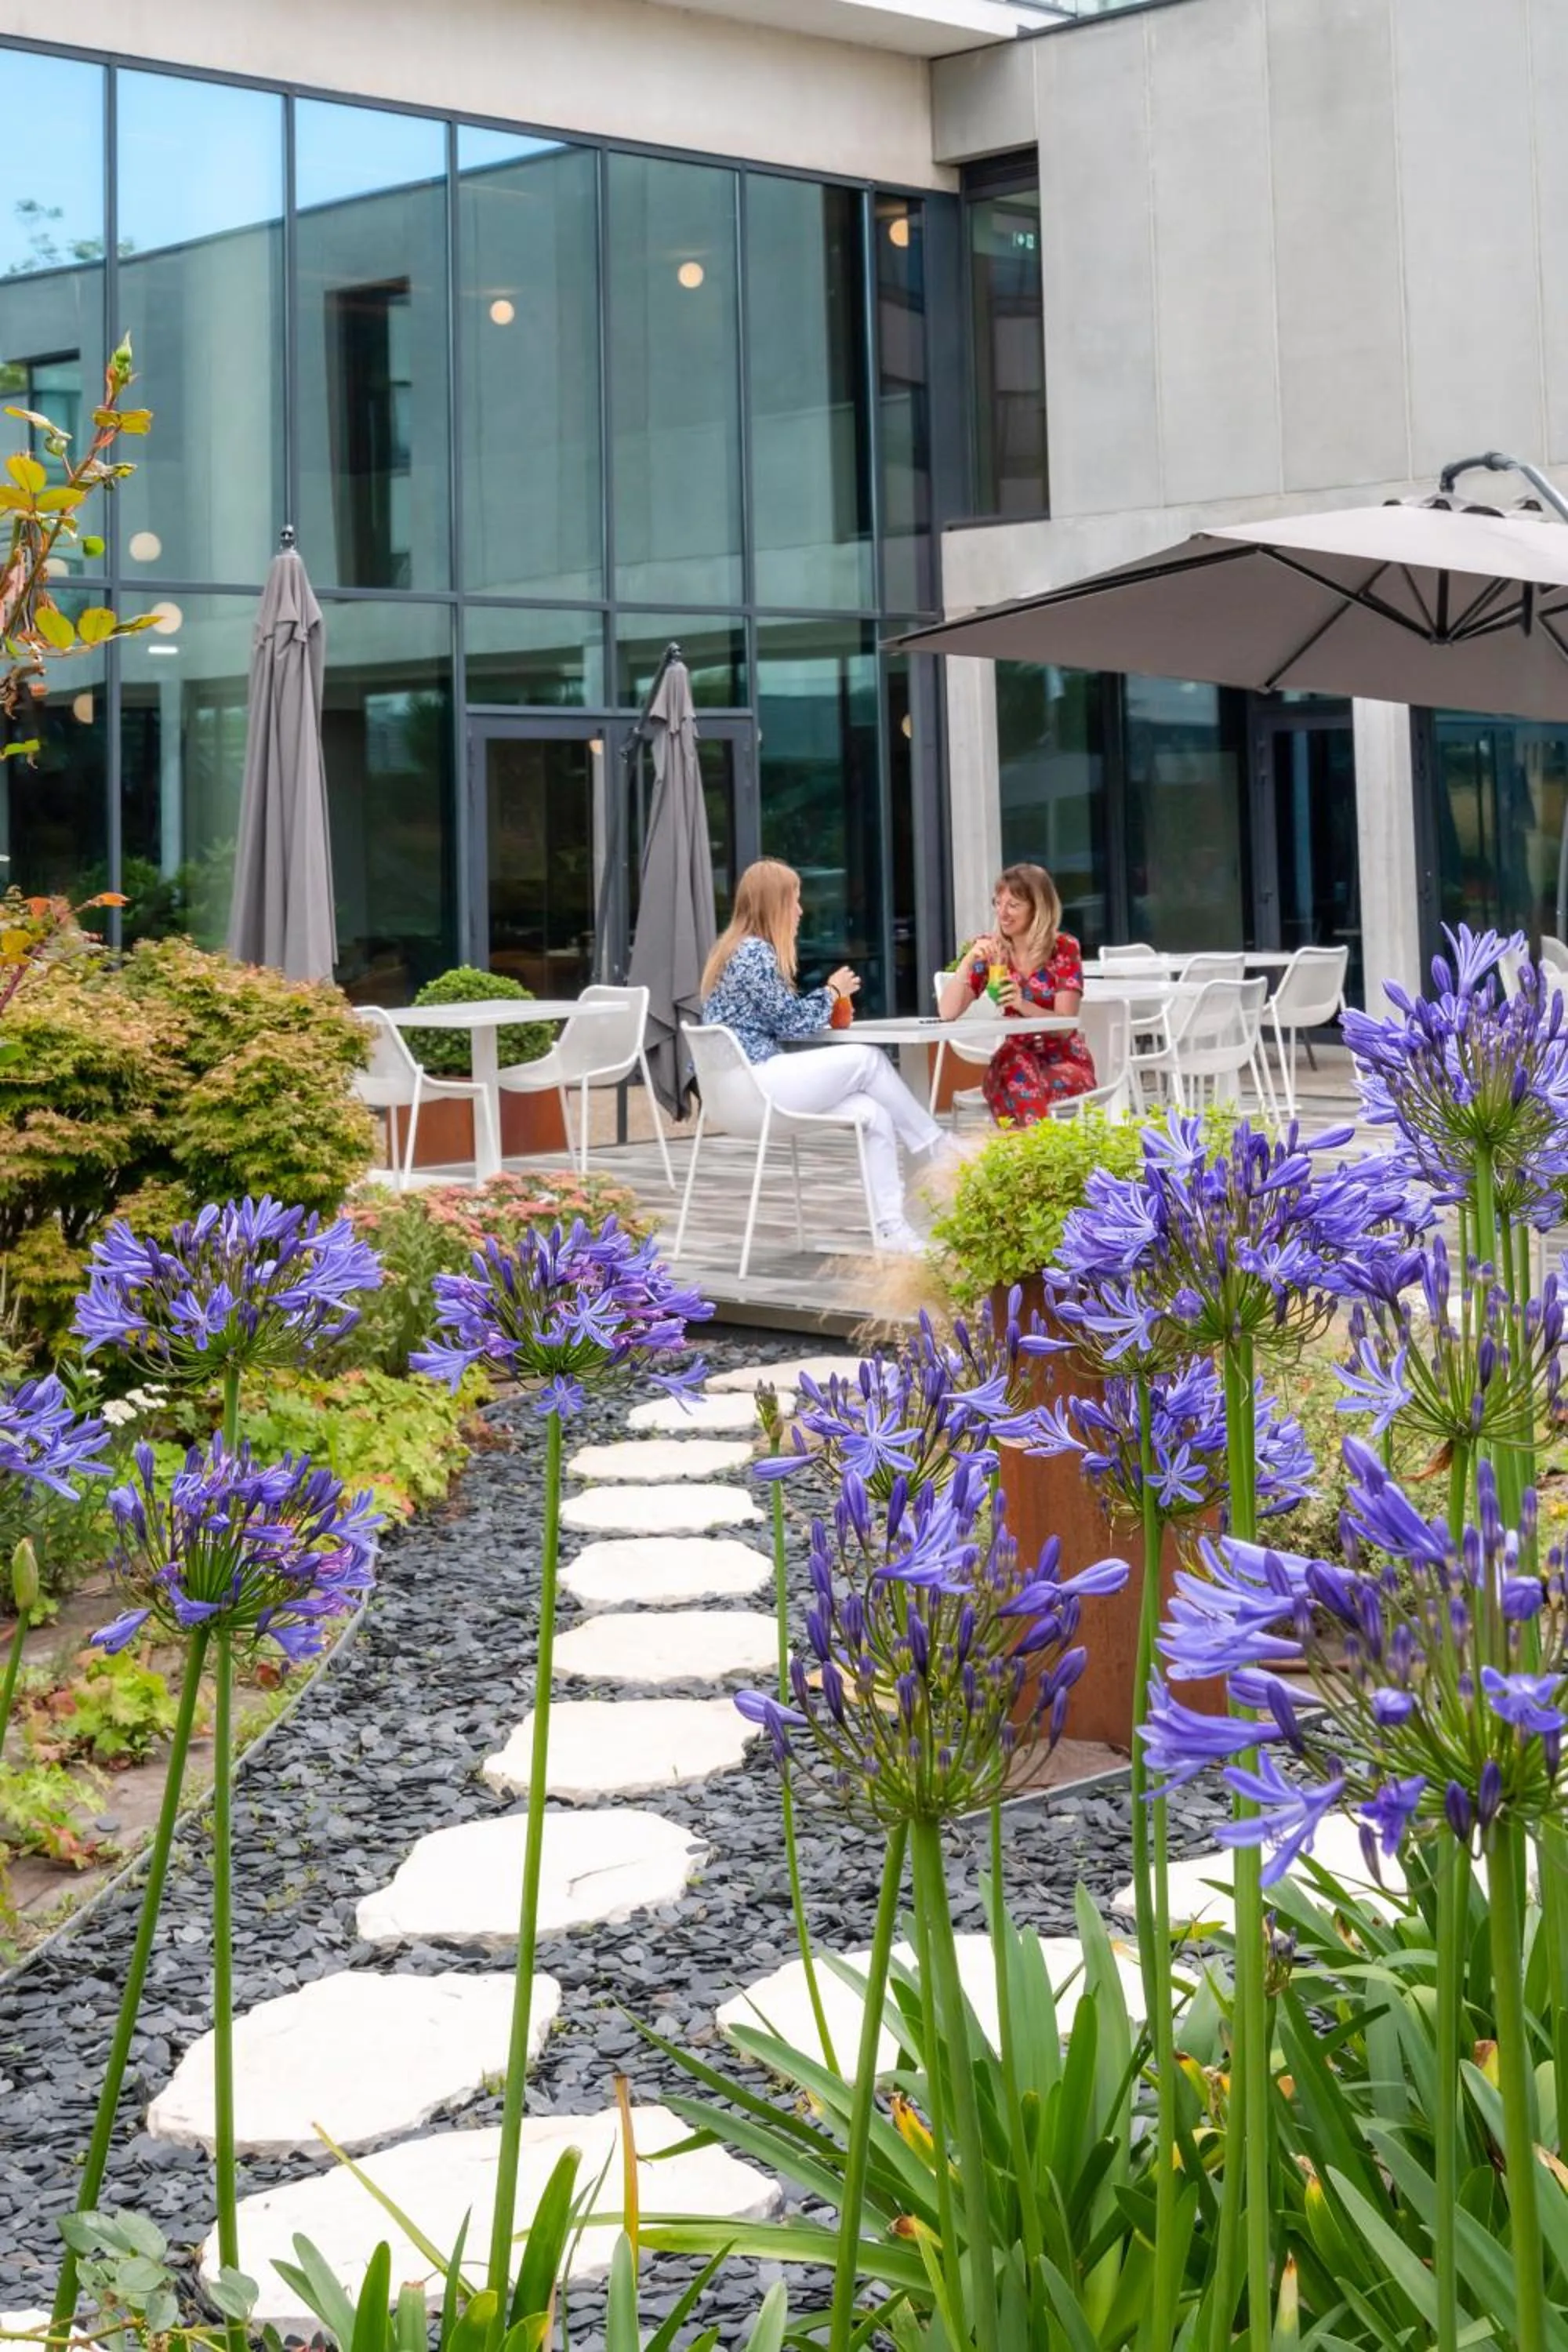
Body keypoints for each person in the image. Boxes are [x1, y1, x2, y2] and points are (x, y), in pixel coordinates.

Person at [700, 858, 952, 1254]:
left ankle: (891, 1231)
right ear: (774, 904)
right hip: (756, 1086)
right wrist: (833, 992)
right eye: (794, 901)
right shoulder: (754, 953)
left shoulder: (732, 950)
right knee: (867, 1059)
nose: (800, 911)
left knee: (873, 1114)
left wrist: (825, 1001)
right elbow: (789, 1021)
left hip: (734, 1091)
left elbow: (781, 1017)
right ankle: (934, 1146)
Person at [938, 862, 1096, 1126]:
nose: (1003, 913)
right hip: (1013, 1059)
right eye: (998, 904)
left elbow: (1065, 1026)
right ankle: (1038, 1153)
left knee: (1013, 1083)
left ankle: (1020, 1150)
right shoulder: (994, 951)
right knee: (1014, 1064)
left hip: (1064, 1062)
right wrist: (968, 961)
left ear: (1038, 908)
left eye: (1013, 905)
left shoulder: (1063, 948)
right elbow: (947, 1012)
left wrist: (1022, 1004)